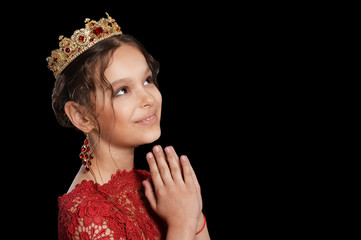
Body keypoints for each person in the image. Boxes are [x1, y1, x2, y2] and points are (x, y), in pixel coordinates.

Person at [46, 13, 210, 240]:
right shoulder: (85, 212)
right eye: (122, 90)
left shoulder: (150, 184)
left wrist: (195, 214)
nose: (149, 99)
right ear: (82, 116)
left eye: (148, 80)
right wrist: (183, 223)